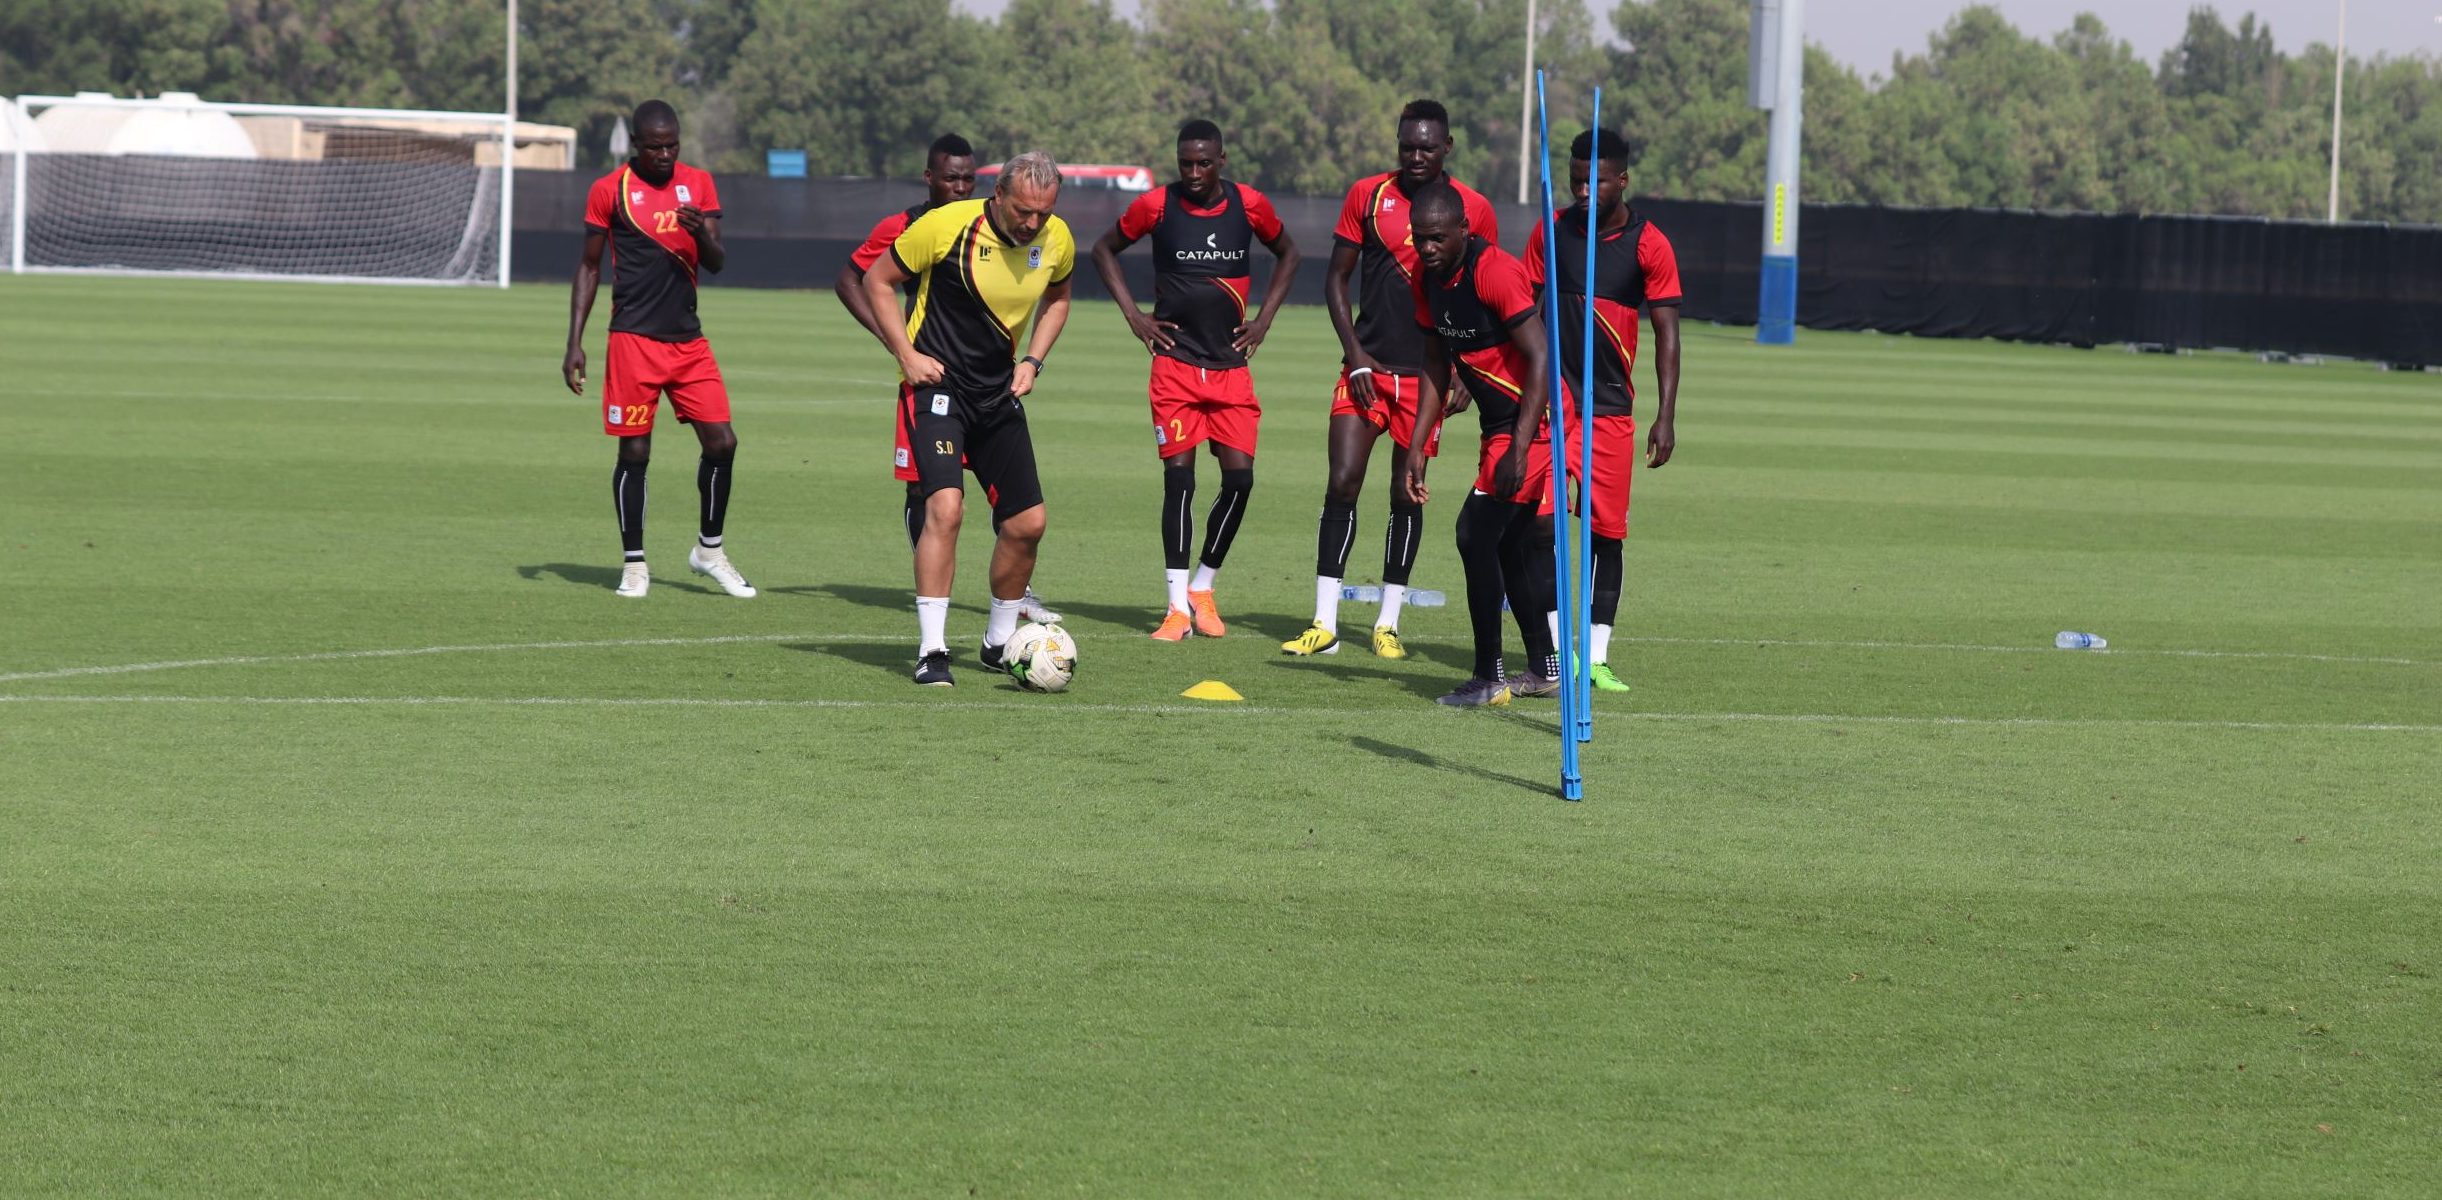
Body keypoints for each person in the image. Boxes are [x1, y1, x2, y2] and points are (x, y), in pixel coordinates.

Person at [1286, 99, 1500, 659]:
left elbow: (1486, 294)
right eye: (1407, 146)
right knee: (1343, 479)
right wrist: (1353, 354)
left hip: (1427, 380)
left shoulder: (1473, 208)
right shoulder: (1368, 194)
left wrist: (1462, 371)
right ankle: (1324, 622)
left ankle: (1387, 624)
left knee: (1407, 494)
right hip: (1367, 371)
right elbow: (1336, 280)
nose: (1416, 155)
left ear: (1447, 146)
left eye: (1427, 146)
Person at [860, 151, 1075, 687]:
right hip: (938, 390)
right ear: (997, 195)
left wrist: (1033, 360)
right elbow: (876, 281)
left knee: (1028, 524)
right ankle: (932, 650)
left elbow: (1059, 297)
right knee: (946, 508)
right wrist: (906, 355)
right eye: (1024, 211)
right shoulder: (945, 226)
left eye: (1043, 213)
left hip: (997, 394)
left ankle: (999, 644)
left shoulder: (1057, 239)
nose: (1033, 223)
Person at [1089, 119, 1301, 640]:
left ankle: (1203, 587)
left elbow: (1289, 253)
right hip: (1176, 368)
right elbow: (1102, 249)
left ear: (1222, 160)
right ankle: (1175, 609)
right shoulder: (1157, 206)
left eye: (1204, 163)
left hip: (1230, 368)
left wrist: (1265, 319)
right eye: (1186, 163)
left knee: (1240, 480)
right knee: (1179, 482)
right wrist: (1134, 317)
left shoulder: (1249, 205)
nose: (1194, 172)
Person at [562, 99, 754, 599]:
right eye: (654, 147)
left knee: (723, 443)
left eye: (672, 145)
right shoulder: (609, 190)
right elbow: (588, 266)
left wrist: (698, 234)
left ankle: (708, 552)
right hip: (632, 340)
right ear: (636, 146)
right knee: (636, 451)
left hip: (688, 340)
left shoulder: (699, 184)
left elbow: (717, 261)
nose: (665, 155)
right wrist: (574, 343)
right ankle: (634, 565)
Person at [1521, 128, 1682, 693]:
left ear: (1623, 180)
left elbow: (1666, 333)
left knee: (1604, 533)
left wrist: (1666, 414)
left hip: (1609, 408)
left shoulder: (1649, 244)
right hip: (1549, 402)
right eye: (1577, 179)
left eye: (1597, 180)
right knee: (1537, 526)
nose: (1584, 190)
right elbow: (1525, 312)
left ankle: (1595, 656)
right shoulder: (1551, 229)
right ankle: (1551, 653)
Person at [1397, 183, 1561, 707]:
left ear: (1464, 231)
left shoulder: (1495, 272)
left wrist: (1518, 446)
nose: (1427, 249)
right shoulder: (1427, 279)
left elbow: (1540, 358)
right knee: (1508, 544)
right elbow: (1434, 364)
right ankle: (1545, 666)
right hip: (1500, 428)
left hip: (1532, 425)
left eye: (1437, 238)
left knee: (1474, 534)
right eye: (1420, 238)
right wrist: (1417, 444)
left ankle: (1488, 677)